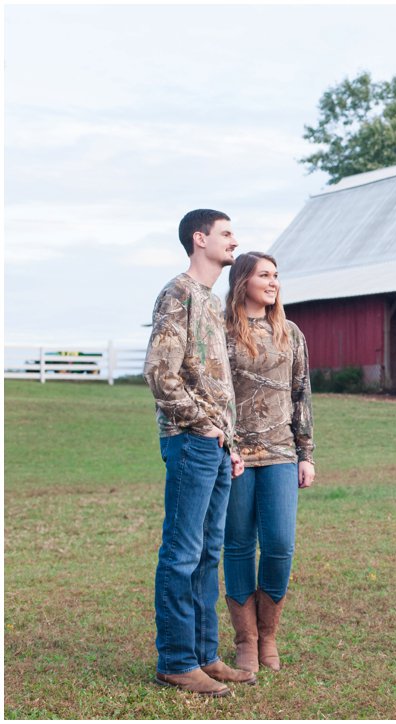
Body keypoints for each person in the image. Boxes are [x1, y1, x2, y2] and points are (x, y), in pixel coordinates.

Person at [144, 209, 256, 696]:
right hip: (190, 440)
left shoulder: (211, 301)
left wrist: (228, 441)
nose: (235, 241)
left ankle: (205, 656)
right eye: (226, 233)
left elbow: (214, 382)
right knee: (182, 552)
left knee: (208, 554)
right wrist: (204, 426)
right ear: (199, 238)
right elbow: (159, 372)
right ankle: (175, 661)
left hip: (214, 445)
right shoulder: (178, 293)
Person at [222, 251, 315, 674]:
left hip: (281, 453)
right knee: (239, 544)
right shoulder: (223, 331)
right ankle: (246, 640)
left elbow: (301, 393)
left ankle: (269, 634)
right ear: (243, 281)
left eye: (276, 275)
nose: (273, 281)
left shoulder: (290, 332)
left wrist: (306, 453)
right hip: (235, 455)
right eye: (264, 275)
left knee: (279, 544)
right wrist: (225, 445)